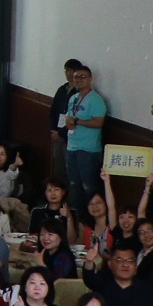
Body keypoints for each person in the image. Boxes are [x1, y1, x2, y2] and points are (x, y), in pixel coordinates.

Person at [56, 62, 108, 211]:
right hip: (72, 146)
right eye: (76, 77)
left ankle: (91, 220)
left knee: (89, 186)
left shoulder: (96, 99)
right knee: (74, 185)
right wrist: (69, 122)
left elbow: (99, 122)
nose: (78, 80)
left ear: (90, 79)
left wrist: (78, 121)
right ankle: (78, 219)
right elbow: (70, 118)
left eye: (82, 77)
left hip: (88, 150)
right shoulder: (73, 98)